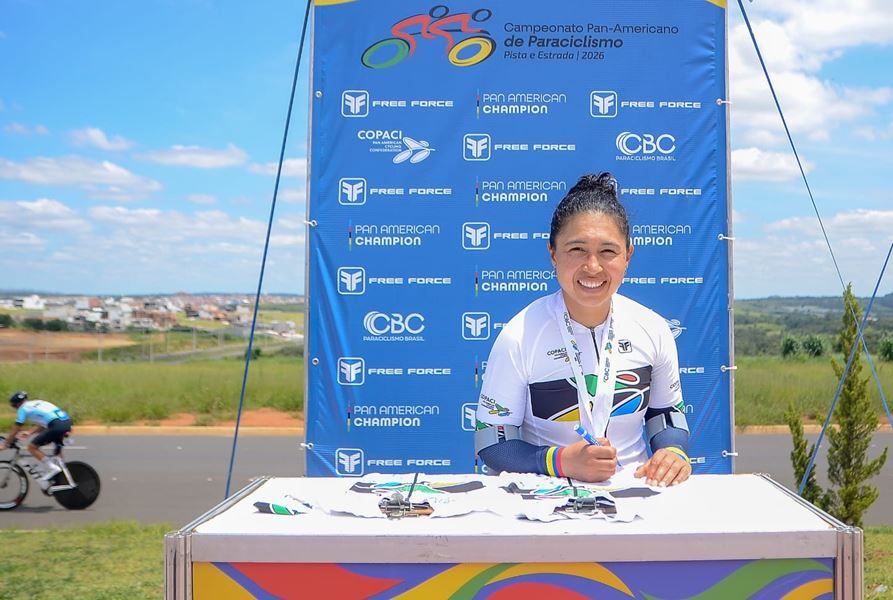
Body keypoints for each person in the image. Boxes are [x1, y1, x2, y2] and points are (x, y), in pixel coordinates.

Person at [474, 172, 692, 486]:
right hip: (546, 503)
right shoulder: (519, 336)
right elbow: (492, 443)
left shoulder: (653, 329)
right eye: (577, 250)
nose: (592, 267)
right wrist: (561, 461)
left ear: (628, 256)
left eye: (608, 251)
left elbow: (665, 415)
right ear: (553, 253)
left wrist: (673, 452)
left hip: (635, 496)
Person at [1, 391, 73, 486]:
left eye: (14, 406)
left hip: (57, 426)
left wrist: (5, 444)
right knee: (57, 454)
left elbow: (16, 428)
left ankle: (53, 469)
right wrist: (30, 432)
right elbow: (46, 422)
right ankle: (63, 477)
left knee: (32, 447)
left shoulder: (23, 409)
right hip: (66, 422)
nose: (16, 408)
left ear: (17, 404)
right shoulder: (38, 403)